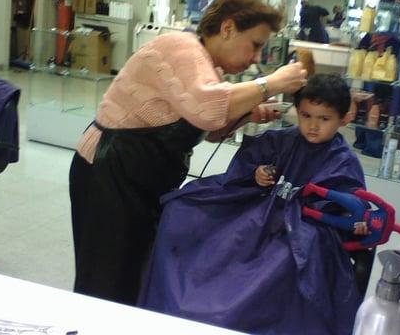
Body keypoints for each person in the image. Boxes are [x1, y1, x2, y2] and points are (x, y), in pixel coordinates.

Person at [68, 0, 308, 306]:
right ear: (228, 27)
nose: (256, 58)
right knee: (105, 281)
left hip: (139, 177)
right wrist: (271, 83)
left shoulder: (208, 69)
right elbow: (207, 107)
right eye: (255, 45)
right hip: (108, 169)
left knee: (133, 274)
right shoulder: (181, 47)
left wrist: (247, 112)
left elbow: (208, 127)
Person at [139, 74, 367, 334]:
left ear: (343, 119)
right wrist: (256, 175)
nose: (313, 126)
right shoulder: (281, 140)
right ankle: (179, 303)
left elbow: (352, 207)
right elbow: (243, 169)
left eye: (324, 119)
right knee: (182, 210)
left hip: (301, 230)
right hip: (258, 214)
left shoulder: (343, 161)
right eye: (306, 116)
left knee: (281, 261)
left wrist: (353, 223)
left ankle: (232, 315)